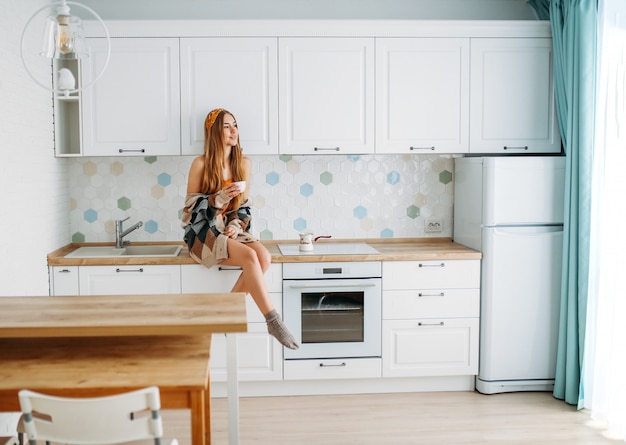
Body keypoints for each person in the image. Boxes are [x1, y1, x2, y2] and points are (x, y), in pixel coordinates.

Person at [182, 108, 298, 350]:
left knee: (264, 257)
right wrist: (218, 198)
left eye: (235, 125)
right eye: (227, 126)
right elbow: (191, 212)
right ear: (214, 132)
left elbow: (243, 207)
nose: (234, 131)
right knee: (249, 256)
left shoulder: (243, 163)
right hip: (204, 234)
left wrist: (235, 226)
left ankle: (225, 314)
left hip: (229, 230)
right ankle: (273, 320)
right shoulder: (200, 164)